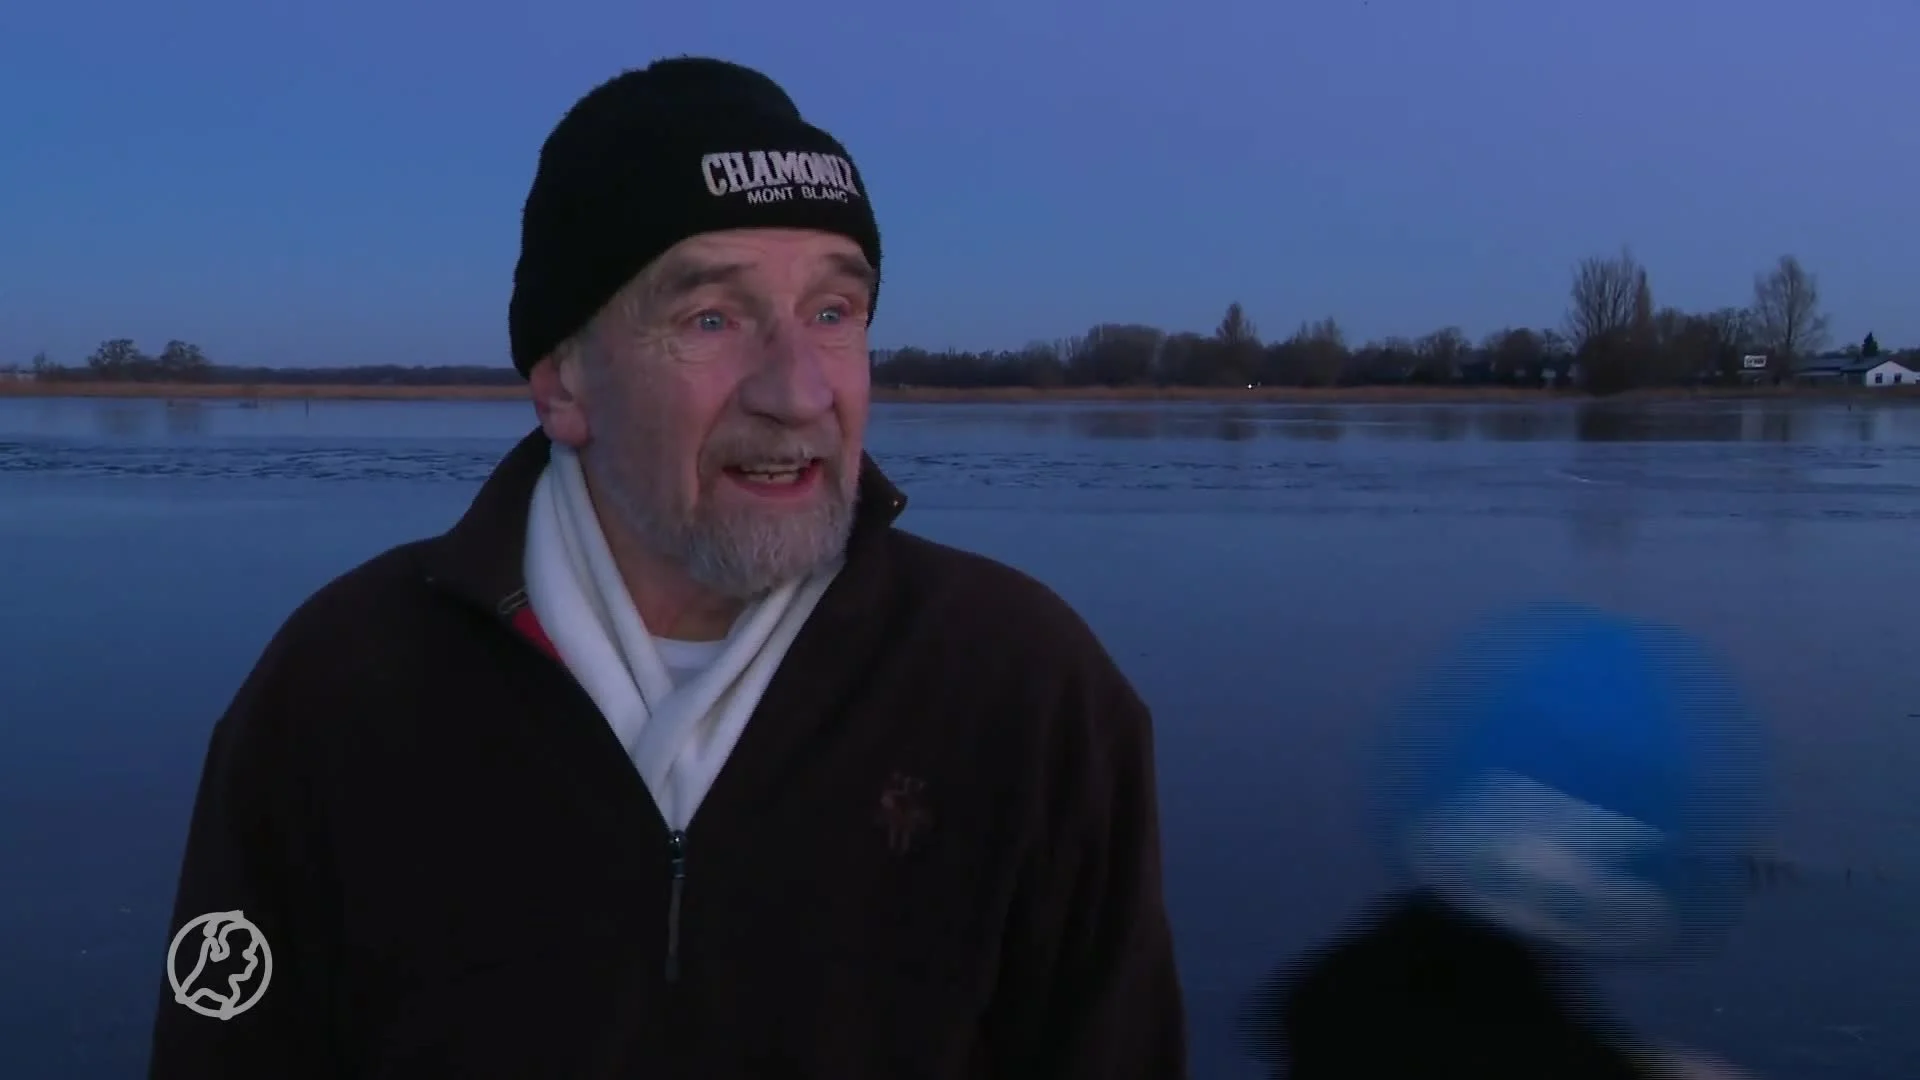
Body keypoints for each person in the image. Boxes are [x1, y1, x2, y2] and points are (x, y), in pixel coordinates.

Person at [146, 56, 1188, 1079]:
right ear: (564, 386)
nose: (798, 391)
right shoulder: (343, 689)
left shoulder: (1025, 691)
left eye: (834, 314)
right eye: (711, 319)